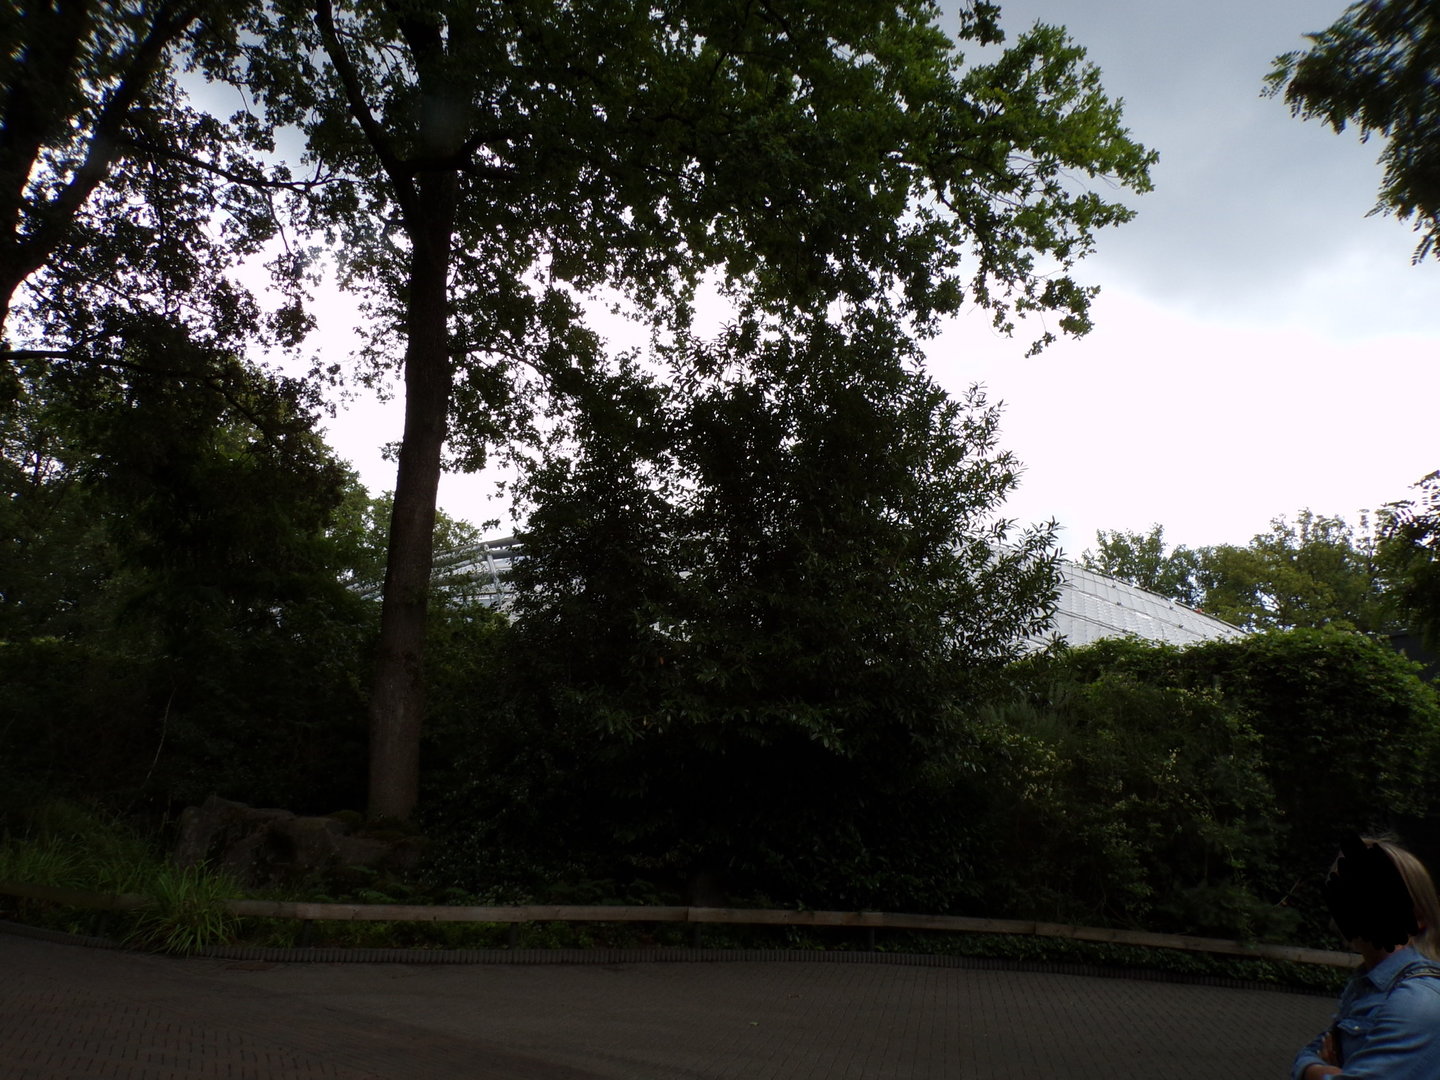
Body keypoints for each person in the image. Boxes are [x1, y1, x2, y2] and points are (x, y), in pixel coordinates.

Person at [1292, 835, 1440, 1079]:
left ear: (1419, 917)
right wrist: (1314, 1067)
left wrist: (1312, 1071)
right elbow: (1312, 1050)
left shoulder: (1418, 1001)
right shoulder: (1368, 983)